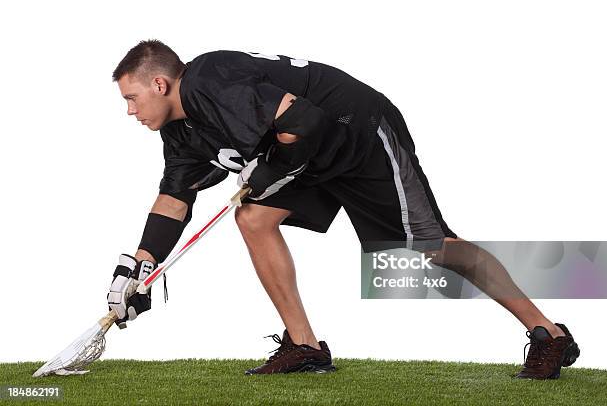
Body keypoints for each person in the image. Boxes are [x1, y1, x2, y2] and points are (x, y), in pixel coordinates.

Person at [106, 40, 580, 379]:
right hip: (306, 155)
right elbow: (174, 197)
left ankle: (549, 334)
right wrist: (141, 267)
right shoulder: (180, 131)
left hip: (355, 132)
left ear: (161, 83)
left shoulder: (209, 80)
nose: (129, 111)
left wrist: (268, 174)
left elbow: (306, 120)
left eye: (132, 98)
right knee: (252, 217)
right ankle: (305, 346)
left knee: (431, 249)